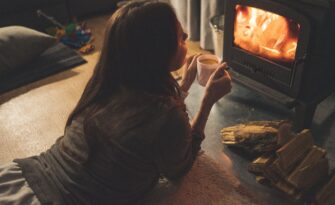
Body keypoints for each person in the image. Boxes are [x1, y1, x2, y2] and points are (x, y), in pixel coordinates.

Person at [0, 1, 232, 205]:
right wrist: (208, 101)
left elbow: (151, 122)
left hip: (28, 176)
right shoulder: (167, 117)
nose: (187, 39)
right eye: (181, 38)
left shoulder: (106, 83)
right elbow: (180, 167)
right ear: (157, 52)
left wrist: (185, 85)